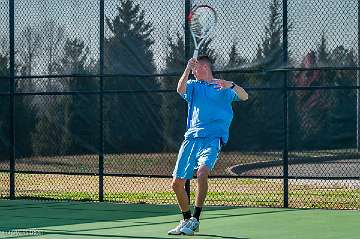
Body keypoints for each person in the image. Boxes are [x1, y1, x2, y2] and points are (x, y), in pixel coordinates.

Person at [168, 55, 248, 235]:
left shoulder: (222, 87)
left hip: (213, 138)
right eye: (194, 68)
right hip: (191, 139)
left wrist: (231, 84)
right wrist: (187, 68)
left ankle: (195, 218)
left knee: (202, 172)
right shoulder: (193, 86)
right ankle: (186, 219)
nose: (196, 70)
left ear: (207, 68)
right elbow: (179, 89)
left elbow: (245, 96)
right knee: (176, 184)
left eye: (198, 67)